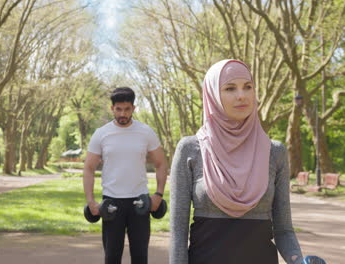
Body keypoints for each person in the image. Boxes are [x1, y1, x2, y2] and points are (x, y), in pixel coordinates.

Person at [169, 59, 303, 264]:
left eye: (247, 87)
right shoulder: (190, 149)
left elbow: (284, 230)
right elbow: (178, 230)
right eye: (230, 88)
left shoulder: (275, 152)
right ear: (213, 94)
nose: (242, 95)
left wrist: (298, 261)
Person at [83, 87, 168, 264]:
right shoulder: (101, 134)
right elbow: (89, 168)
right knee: (112, 258)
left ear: (133, 108)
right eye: (119, 109)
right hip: (112, 203)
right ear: (112, 108)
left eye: (127, 109)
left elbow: (161, 163)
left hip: (140, 203)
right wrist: (91, 201)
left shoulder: (145, 132)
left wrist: (158, 194)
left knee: (140, 257)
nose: (123, 113)